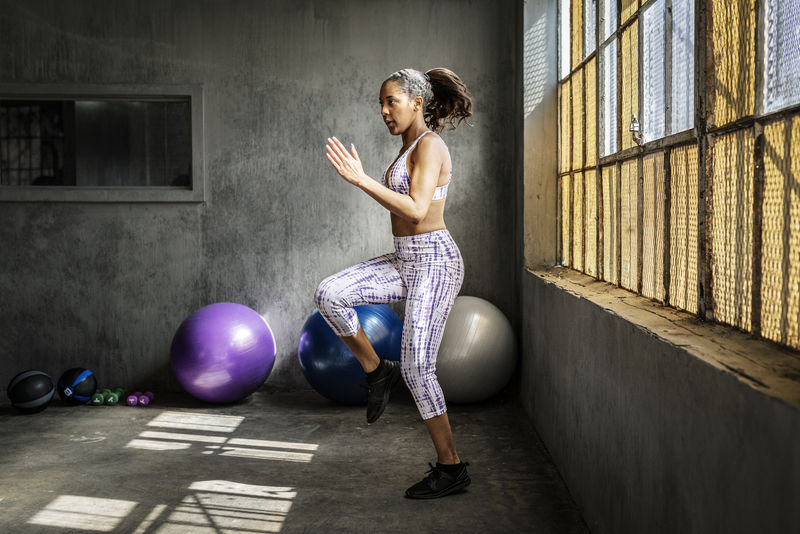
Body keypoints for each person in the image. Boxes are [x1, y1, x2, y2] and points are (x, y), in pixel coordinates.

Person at [316, 67, 473, 499]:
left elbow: (419, 210)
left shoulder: (431, 145)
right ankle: (376, 370)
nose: (384, 111)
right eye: (381, 104)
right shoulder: (408, 146)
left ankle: (451, 468)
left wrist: (361, 178)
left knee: (419, 368)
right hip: (404, 260)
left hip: (436, 262)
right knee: (330, 294)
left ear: (417, 102)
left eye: (392, 102)